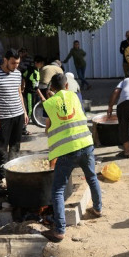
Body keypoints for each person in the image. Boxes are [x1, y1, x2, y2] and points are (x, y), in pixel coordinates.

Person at [41, 73, 102, 243]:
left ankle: (59, 230)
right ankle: (98, 209)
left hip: (67, 151)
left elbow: (48, 129)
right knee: (91, 177)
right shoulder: (75, 97)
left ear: (51, 88)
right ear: (67, 85)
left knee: (58, 190)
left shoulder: (49, 103)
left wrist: (50, 100)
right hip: (86, 144)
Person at [0, 49, 28, 189]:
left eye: (18, 63)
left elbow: (19, 94)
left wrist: (25, 112)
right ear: (5, 60)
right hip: (2, 118)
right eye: (13, 63)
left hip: (18, 115)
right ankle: (2, 176)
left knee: (15, 145)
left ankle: (14, 171)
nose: (16, 66)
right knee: (2, 147)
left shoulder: (18, 73)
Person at [21, 55, 45, 135]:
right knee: (29, 110)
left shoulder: (34, 69)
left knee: (30, 110)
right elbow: (36, 87)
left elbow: (24, 77)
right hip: (30, 93)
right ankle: (23, 128)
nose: (41, 65)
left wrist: (23, 86)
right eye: (40, 63)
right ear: (36, 63)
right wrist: (42, 96)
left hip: (31, 92)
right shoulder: (33, 71)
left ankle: (23, 126)